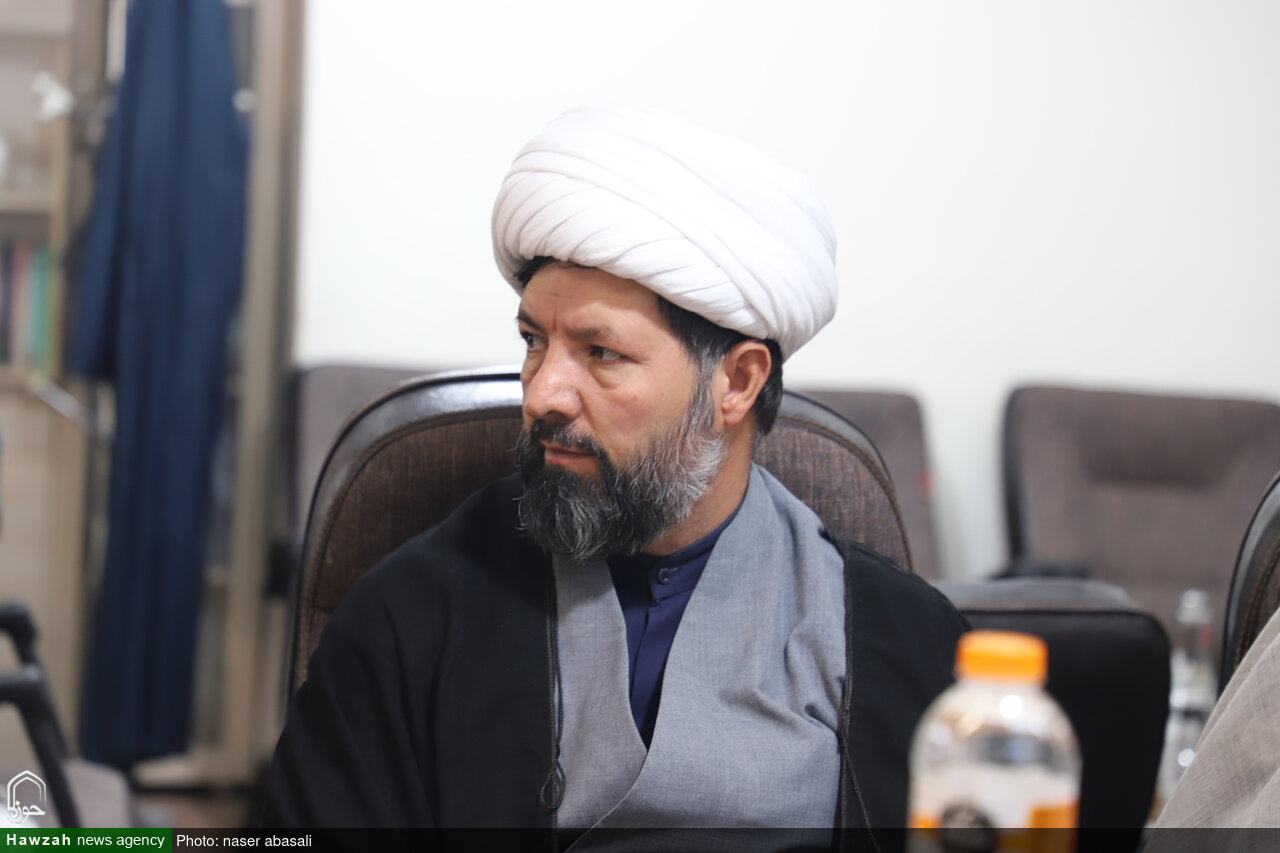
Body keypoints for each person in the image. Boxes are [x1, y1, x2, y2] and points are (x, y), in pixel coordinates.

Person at [260, 106, 967, 843]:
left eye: (601, 353)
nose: (542, 394)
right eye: (534, 341)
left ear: (737, 382)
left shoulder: (896, 637)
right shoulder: (413, 614)